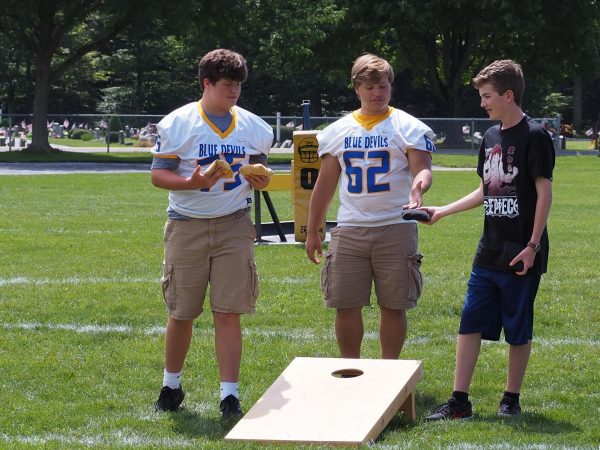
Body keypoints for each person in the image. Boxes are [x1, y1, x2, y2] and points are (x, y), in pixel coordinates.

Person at [423, 59, 555, 420]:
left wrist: (532, 246)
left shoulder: (535, 135)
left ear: (508, 95)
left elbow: (544, 193)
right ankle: (459, 402)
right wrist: (443, 211)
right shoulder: (491, 138)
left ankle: (511, 398)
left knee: (517, 328)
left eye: (487, 96)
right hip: (489, 250)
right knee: (470, 322)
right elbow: (486, 188)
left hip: (521, 251)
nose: (483, 103)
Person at [150, 48, 273, 418]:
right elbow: (158, 175)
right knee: (182, 311)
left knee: (228, 310)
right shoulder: (179, 122)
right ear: (207, 83)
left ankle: (229, 395)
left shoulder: (254, 126)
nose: (234, 92)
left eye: (238, 86)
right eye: (226, 85)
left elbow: (262, 169)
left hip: (234, 222)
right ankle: (171, 385)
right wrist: (192, 181)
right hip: (187, 223)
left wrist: (260, 176)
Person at [305, 53, 435, 360]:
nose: (377, 93)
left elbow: (423, 169)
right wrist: (313, 230)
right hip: (350, 227)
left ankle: (389, 375)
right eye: (370, 87)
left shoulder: (409, 126)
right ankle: (352, 369)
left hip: (396, 225)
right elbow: (324, 185)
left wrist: (420, 186)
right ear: (357, 88)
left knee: (394, 304)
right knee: (345, 303)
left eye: (383, 86)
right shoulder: (337, 131)